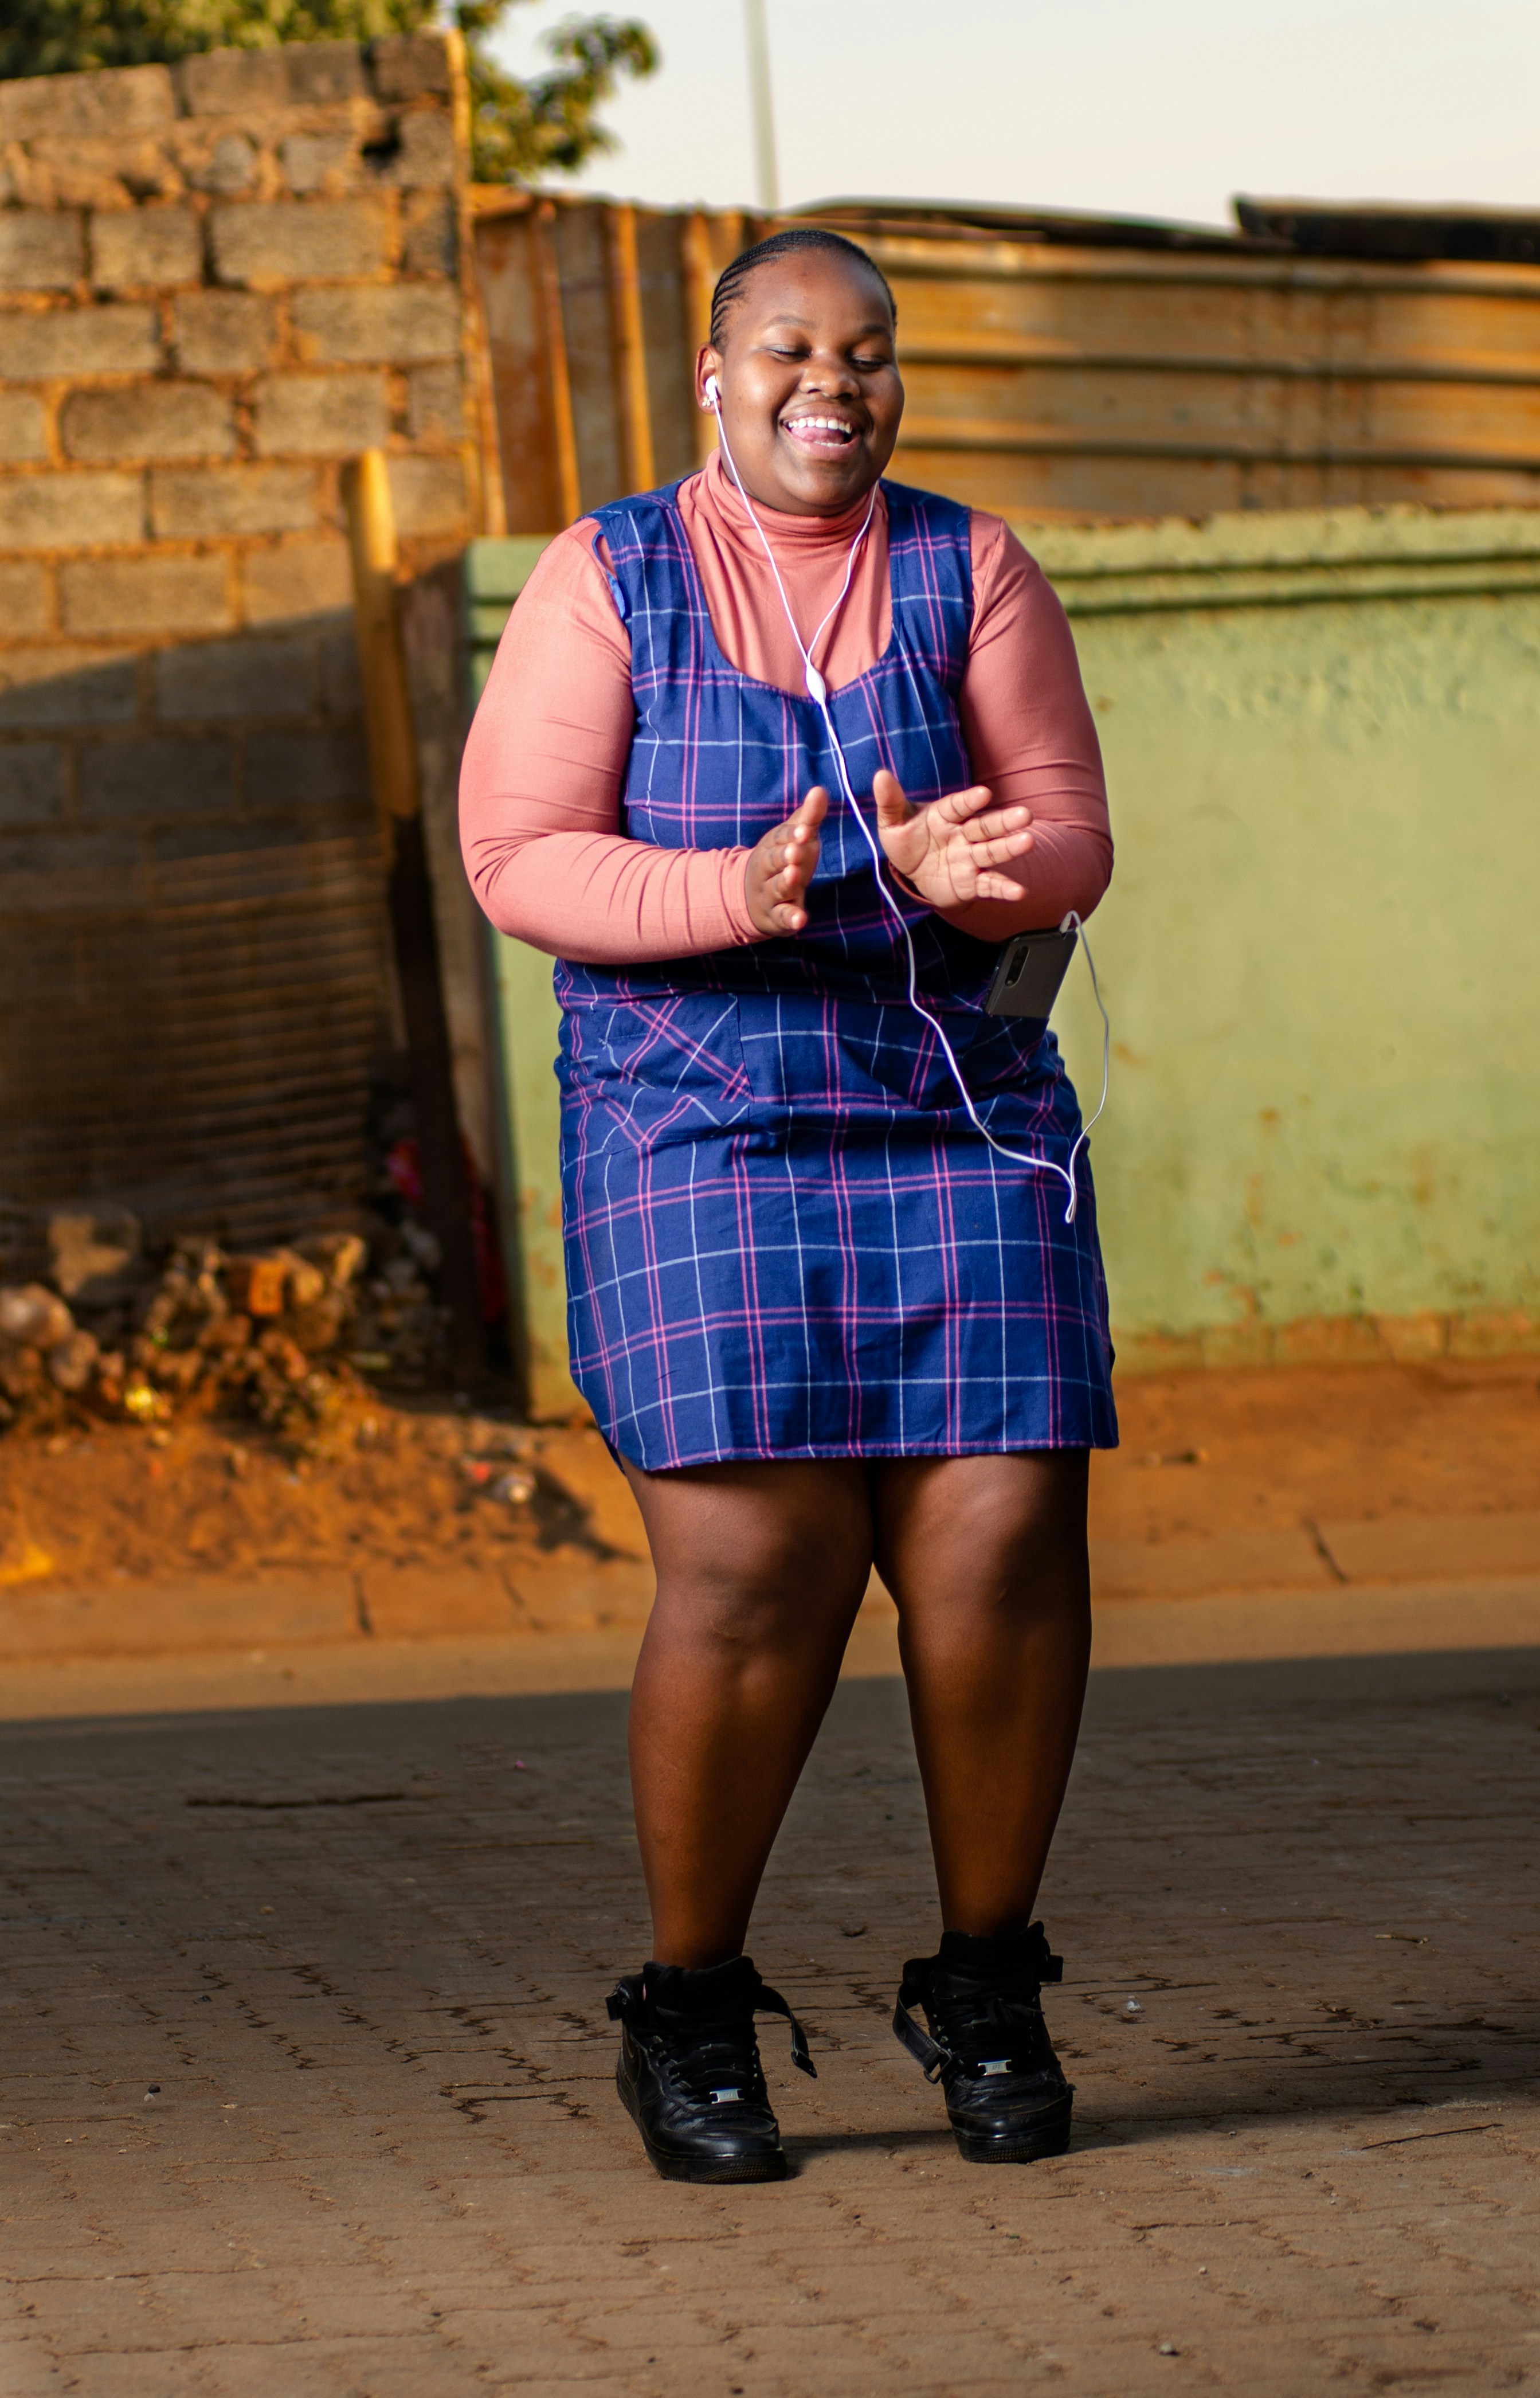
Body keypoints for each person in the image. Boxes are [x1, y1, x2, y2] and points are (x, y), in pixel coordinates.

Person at [460, 227, 1115, 2185]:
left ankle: (984, 1981)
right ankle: (691, 2003)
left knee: (1000, 1540)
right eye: (791, 348)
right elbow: (517, 856)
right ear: (717, 376)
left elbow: (1072, 831)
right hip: (698, 1116)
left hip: (955, 1109)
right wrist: (728, 896)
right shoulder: (611, 577)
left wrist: (962, 868)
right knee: (763, 1570)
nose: (835, 382)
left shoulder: (972, 566)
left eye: (871, 352)